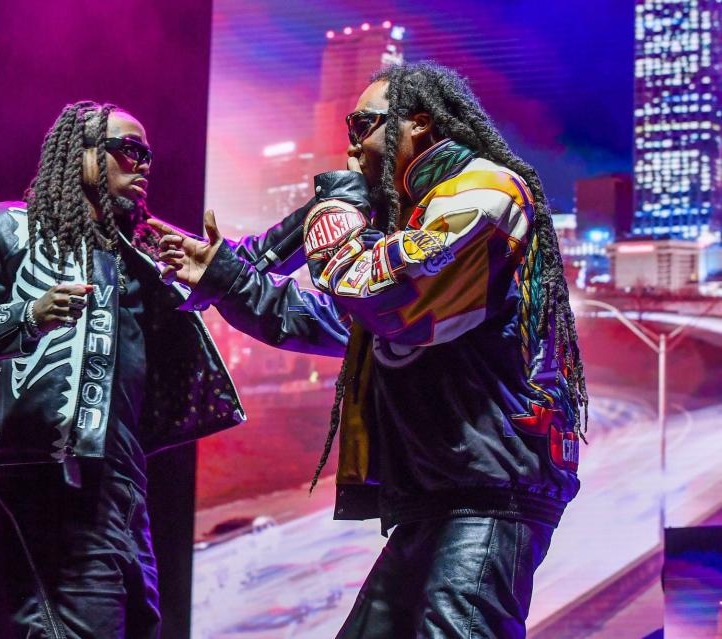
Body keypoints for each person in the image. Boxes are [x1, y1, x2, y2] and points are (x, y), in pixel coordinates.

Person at [151, 61, 588, 638]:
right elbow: (333, 319)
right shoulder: (412, 217)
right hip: (443, 489)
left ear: (420, 125)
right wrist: (226, 275)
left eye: (363, 124)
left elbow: (397, 299)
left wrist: (334, 221)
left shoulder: (483, 189)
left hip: (491, 487)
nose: (350, 144)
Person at [0, 101, 295, 638]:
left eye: (150, 155)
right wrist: (25, 316)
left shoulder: (142, 254)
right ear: (82, 154)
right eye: (129, 150)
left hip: (124, 484)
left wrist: (327, 202)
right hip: (53, 478)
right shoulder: (5, 228)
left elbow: (243, 270)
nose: (144, 165)